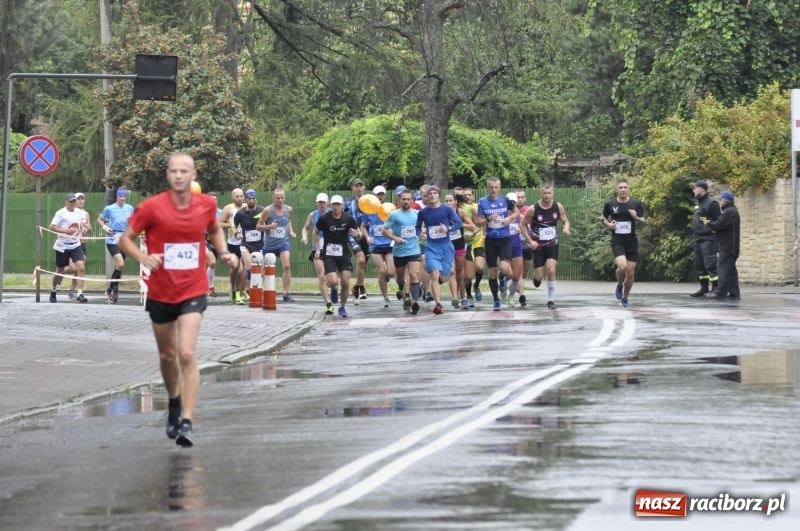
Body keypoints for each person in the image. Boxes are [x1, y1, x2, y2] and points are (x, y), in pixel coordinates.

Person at [118, 153, 238, 447]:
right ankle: (173, 401)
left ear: (193, 174)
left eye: (184, 171)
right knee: (167, 356)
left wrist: (222, 252)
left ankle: (186, 420)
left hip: (193, 289)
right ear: (168, 175)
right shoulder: (152, 207)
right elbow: (125, 240)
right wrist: (144, 257)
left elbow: (213, 230)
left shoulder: (206, 205)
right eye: (173, 171)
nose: (179, 175)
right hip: (161, 291)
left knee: (186, 353)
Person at [520, 184, 571, 309]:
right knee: (539, 276)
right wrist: (530, 241)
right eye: (544, 193)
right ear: (541, 193)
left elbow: (565, 220)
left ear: (553, 193)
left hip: (552, 243)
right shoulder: (533, 209)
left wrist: (566, 228)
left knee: (551, 269)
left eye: (549, 193)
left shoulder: (558, 207)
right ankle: (536, 277)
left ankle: (551, 300)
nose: (547, 196)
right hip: (538, 246)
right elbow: (522, 226)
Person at [473, 176, 518, 311]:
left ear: (499, 188)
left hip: (504, 239)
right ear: (488, 187)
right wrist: (487, 219)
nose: (493, 190)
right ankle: (496, 300)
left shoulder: (505, 200)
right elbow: (477, 223)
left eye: (496, 187)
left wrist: (508, 219)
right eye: (491, 187)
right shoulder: (482, 202)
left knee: (504, 268)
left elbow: (516, 213)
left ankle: (502, 278)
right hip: (491, 240)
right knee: (492, 272)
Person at [416, 186, 463, 314]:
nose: (432, 195)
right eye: (429, 194)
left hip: (446, 246)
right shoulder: (423, 212)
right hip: (431, 246)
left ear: (438, 195)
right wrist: (420, 233)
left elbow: (459, 223)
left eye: (434, 193)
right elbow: (417, 227)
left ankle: (440, 278)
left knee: (446, 277)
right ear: (426, 196)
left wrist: (448, 229)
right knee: (434, 274)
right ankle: (438, 304)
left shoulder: (446, 209)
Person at [314, 195, 362, 318]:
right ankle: (334, 288)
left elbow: (359, 235)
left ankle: (342, 307)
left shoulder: (348, 218)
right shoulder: (324, 219)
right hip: (329, 253)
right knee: (332, 281)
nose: (335, 207)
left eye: (338, 204)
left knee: (345, 282)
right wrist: (318, 249)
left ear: (342, 206)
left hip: (343, 252)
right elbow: (315, 232)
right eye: (334, 204)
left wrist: (357, 234)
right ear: (331, 205)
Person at [601, 179, 645, 308]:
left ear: (628, 188)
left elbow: (643, 221)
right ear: (617, 189)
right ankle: (619, 283)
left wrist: (636, 217)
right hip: (617, 241)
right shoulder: (610, 204)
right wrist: (609, 225)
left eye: (625, 187)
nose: (623, 190)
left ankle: (625, 297)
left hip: (631, 241)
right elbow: (603, 218)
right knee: (622, 267)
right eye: (620, 187)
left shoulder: (635, 203)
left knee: (630, 272)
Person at [382, 190, 422, 314]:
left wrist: (423, 234)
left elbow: (421, 228)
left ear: (412, 200)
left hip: (414, 249)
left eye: (408, 199)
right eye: (403, 199)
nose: (406, 201)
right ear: (399, 200)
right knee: (400, 277)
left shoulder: (417, 214)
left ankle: (414, 301)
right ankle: (401, 287)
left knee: (414, 274)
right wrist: (395, 238)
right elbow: (384, 230)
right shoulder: (394, 215)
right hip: (399, 251)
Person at [258, 188, 296, 302]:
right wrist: (269, 227)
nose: (280, 200)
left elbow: (288, 221)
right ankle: (264, 291)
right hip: (269, 244)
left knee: (287, 265)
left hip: (283, 243)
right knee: (264, 269)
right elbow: (258, 226)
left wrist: (291, 231)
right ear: (273, 198)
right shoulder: (268, 210)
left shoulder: (288, 209)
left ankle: (286, 293)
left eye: (282, 198)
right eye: (277, 198)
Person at [49, 194, 88, 303]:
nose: (73, 203)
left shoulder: (80, 212)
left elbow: (80, 224)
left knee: (80, 267)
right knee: (60, 270)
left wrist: (82, 229)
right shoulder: (60, 213)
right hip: (62, 244)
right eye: (70, 201)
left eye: (74, 201)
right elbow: (51, 227)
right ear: (66, 202)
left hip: (75, 244)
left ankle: (80, 294)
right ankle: (53, 289)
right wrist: (66, 231)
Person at [97, 188, 134, 303]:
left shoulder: (130, 208)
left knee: (120, 266)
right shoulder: (109, 208)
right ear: (117, 197)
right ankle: (115, 289)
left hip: (124, 239)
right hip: (112, 238)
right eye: (120, 196)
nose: (122, 198)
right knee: (120, 263)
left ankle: (110, 289)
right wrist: (105, 227)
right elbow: (99, 219)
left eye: (124, 196)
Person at [361, 186, 396, 308]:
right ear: (374, 196)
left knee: (391, 272)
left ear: (385, 196)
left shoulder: (390, 209)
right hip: (375, 244)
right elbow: (363, 226)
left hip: (388, 243)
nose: (380, 197)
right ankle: (386, 297)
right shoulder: (369, 211)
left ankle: (391, 275)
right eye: (378, 195)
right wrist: (367, 237)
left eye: (382, 194)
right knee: (381, 271)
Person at [301, 193, 333, 314]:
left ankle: (334, 289)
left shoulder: (333, 214)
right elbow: (305, 228)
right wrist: (304, 237)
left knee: (332, 278)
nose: (322, 204)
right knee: (322, 275)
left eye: (324, 202)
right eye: (320, 202)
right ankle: (328, 303)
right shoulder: (313, 215)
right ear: (316, 203)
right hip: (317, 248)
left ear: (328, 203)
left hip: (331, 248)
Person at [689, 180, 721, 297]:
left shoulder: (712, 203)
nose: (693, 190)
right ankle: (704, 288)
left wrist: (710, 227)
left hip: (708, 239)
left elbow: (718, 222)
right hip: (698, 238)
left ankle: (716, 288)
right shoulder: (698, 202)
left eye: (695, 188)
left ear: (701, 189)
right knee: (700, 265)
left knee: (710, 265)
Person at [707, 191, 740, 300]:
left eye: (721, 199)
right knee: (730, 271)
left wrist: (709, 223)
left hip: (727, 246)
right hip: (730, 246)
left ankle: (720, 292)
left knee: (723, 269)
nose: (720, 201)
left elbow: (720, 225)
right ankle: (734, 293)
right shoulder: (731, 211)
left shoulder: (729, 211)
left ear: (725, 200)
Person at [233, 189, 266, 301]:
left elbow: (269, 221)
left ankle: (257, 289)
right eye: (249, 199)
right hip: (246, 244)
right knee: (251, 268)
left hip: (260, 244)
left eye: (253, 198)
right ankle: (249, 289)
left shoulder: (262, 210)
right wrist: (236, 233)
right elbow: (233, 225)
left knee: (260, 271)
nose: (251, 201)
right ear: (246, 200)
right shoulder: (240, 213)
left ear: (256, 199)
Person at [218, 188, 246, 304]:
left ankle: (239, 292)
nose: (240, 198)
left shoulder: (247, 207)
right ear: (233, 197)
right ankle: (233, 288)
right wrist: (231, 226)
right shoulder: (228, 209)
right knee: (235, 268)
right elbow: (219, 223)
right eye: (237, 196)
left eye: (241, 196)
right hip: (233, 242)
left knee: (241, 270)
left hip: (245, 242)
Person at [344, 178, 370, 302]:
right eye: (356, 186)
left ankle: (359, 286)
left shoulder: (370, 202)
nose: (359, 188)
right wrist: (351, 229)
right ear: (352, 188)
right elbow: (342, 217)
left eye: (361, 186)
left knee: (364, 264)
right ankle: (360, 289)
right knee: (360, 260)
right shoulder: (348, 203)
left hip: (366, 236)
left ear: (364, 187)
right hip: (352, 235)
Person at [66, 192, 92, 300]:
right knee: (73, 268)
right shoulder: (70, 212)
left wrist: (87, 228)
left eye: (82, 198)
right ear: (74, 200)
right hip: (70, 243)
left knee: (80, 268)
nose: (80, 200)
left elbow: (89, 230)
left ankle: (74, 291)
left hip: (81, 243)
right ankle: (60, 271)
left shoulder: (85, 214)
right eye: (78, 198)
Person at [205, 192, 223, 297]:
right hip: (204, 240)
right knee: (211, 262)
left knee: (212, 264)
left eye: (215, 200)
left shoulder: (220, 212)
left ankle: (210, 287)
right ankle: (207, 287)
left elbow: (226, 223)